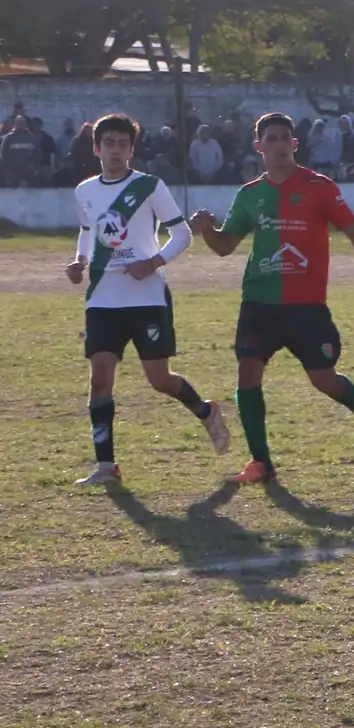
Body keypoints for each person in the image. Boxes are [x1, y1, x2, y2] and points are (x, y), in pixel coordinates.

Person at [188, 112, 354, 484]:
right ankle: (261, 463)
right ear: (259, 147)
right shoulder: (250, 194)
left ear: (295, 145)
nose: (280, 144)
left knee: (324, 379)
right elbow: (225, 245)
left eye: (286, 137)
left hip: (306, 306)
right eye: (271, 138)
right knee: (248, 373)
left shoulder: (318, 186)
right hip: (259, 301)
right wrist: (207, 230)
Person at [67, 113, 231, 486]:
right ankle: (106, 468)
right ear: (96, 148)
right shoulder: (84, 191)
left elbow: (182, 236)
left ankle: (206, 411)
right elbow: (86, 232)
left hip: (146, 296)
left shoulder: (150, 186)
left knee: (159, 379)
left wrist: (153, 262)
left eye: (122, 144)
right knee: (100, 379)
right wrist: (79, 262)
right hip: (103, 298)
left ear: (131, 149)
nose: (115, 150)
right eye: (108, 143)